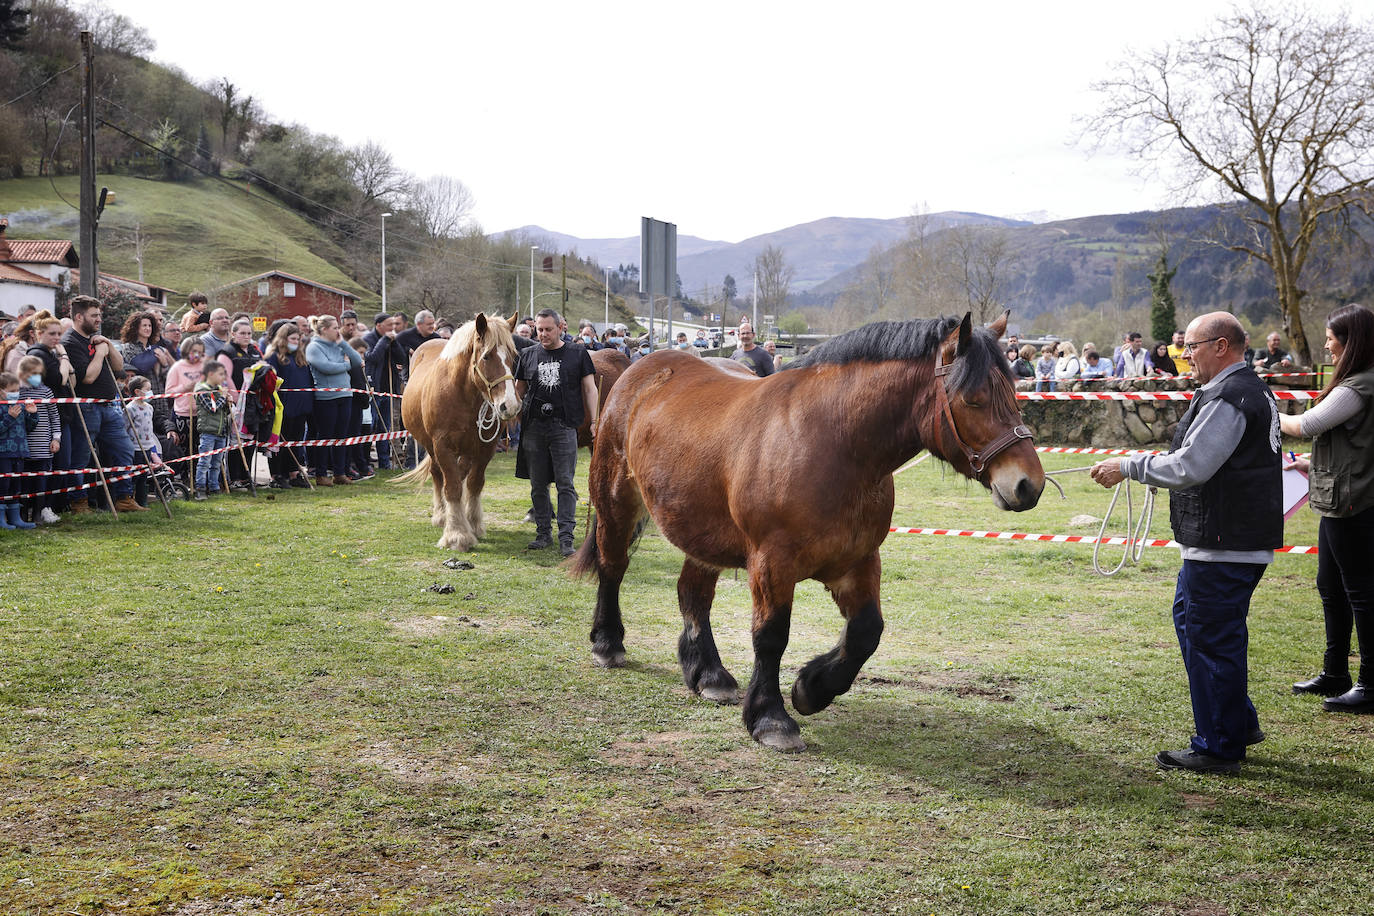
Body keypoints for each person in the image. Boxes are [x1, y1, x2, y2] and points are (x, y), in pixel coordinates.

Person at [1090, 312, 1281, 773]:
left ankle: (1218, 745)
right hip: (1226, 541)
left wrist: (1130, 466)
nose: (1184, 355)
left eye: (1191, 346)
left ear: (1221, 346)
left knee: (1211, 637)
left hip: (1224, 543)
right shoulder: (1241, 390)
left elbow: (1191, 466)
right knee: (1198, 625)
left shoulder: (1230, 397)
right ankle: (1237, 723)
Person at [1279, 303, 1374, 712]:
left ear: (1351, 341)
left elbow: (1307, 425)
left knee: (1361, 593)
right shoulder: (1356, 382)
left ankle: (1371, 683)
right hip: (1337, 498)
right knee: (1330, 587)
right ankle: (1336, 671)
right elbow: (1348, 445)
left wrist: (1267, 409)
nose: (1327, 344)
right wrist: (1309, 463)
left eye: (1332, 337)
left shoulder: (1360, 386)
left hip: (1356, 504)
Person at [513, 308, 596, 557]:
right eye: (539, 329)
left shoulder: (577, 353)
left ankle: (566, 537)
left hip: (564, 426)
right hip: (534, 428)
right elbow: (518, 391)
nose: (543, 334)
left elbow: (590, 389)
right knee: (538, 484)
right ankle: (542, 534)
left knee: (565, 483)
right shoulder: (527, 355)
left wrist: (595, 420)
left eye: (548, 329)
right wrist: (512, 415)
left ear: (560, 328)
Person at [62, 296, 145, 513]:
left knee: (125, 450)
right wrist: (100, 353)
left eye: (100, 315)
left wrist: (107, 344)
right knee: (81, 456)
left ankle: (124, 498)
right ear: (79, 317)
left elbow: (118, 368)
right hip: (86, 408)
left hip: (109, 406)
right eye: (94, 315)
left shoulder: (98, 339)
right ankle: (78, 502)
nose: (99, 319)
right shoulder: (70, 342)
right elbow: (87, 377)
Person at [306, 315, 356, 486]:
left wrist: (343, 344)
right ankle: (320, 474)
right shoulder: (313, 347)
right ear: (324, 330)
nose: (338, 330)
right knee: (325, 436)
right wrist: (345, 365)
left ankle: (339, 473)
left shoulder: (339, 345)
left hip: (345, 394)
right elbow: (326, 368)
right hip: (326, 398)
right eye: (335, 327)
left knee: (342, 436)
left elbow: (356, 360)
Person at [264, 324, 314, 489]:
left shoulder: (300, 357)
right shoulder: (274, 357)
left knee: (296, 441)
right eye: (293, 339)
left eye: (298, 339)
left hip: (301, 406)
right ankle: (276, 475)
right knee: (280, 443)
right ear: (283, 339)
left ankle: (294, 473)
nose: (296, 342)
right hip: (283, 406)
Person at [16, 354, 60, 525]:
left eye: (38, 373)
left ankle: (37, 515)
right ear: (22, 374)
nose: (35, 376)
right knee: (24, 485)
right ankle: (21, 516)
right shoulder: (16, 392)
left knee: (41, 484)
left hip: (43, 449)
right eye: (32, 373)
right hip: (24, 448)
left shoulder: (46, 391)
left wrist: (56, 439)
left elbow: (54, 417)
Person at [363, 313, 407, 469]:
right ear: (379, 325)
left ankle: (384, 462)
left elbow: (402, 359)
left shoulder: (392, 340)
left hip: (389, 390)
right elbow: (372, 357)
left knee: (385, 428)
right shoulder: (368, 339)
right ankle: (365, 462)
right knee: (371, 426)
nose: (393, 328)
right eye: (389, 325)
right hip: (374, 390)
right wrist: (384, 341)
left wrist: (394, 344)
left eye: (394, 325)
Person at [0, 371, 38, 529]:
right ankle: (2, 520)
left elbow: (28, 428)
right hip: (3, 453)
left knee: (16, 486)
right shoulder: (3, 408)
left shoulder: (20, 406)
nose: (16, 394)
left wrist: (32, 415)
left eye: (17, 390)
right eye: (12, 390)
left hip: (20, 452)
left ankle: (16, 518)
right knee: (3, 485)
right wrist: (9, 417)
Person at [124, 375, 165, 508]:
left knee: (143, 476)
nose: (150, 392)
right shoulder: (130, 408)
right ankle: (129, 500)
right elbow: (125, 427)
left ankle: (142, 501)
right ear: (137, 391)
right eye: (147, 389)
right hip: (135, 448)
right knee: (134, 476)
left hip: (147, 447)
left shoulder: (149, 407)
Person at [193, 361, 231, 500]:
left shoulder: (219, 389)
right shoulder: (201, 389)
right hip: (208, 432)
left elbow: (223, 411)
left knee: (216, 462)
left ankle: (214, 487)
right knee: (204, 462)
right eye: (220, 374)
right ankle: (200, 488)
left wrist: (228, 403)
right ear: (210, 374)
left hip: (221, 431)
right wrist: (223, 397)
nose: (223, 377)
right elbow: (212, 408)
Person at [118, 310, 174, 392]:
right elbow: (141, 367)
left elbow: (168, 376)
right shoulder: (128, 347)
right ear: (136, 328)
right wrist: (156, 351)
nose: (148, 328)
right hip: (141, 398)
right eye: (144, 325)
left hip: (160, 397)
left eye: (150, 326)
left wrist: (165, 364)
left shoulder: (155, 348)